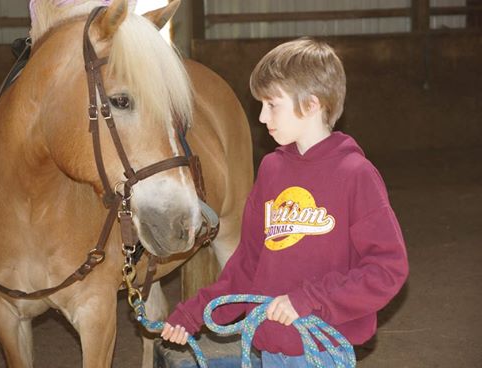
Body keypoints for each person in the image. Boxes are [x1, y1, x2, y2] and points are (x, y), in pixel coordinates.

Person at [161, 37, 409, 367]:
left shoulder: (356, 175)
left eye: (272, 104)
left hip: (322, 348)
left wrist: (310, 299)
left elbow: (387, 268)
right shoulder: (272, 170)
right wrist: (193, 313)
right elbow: (248, 263)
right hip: (271, 347)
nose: (262, 117)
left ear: (312, 104)